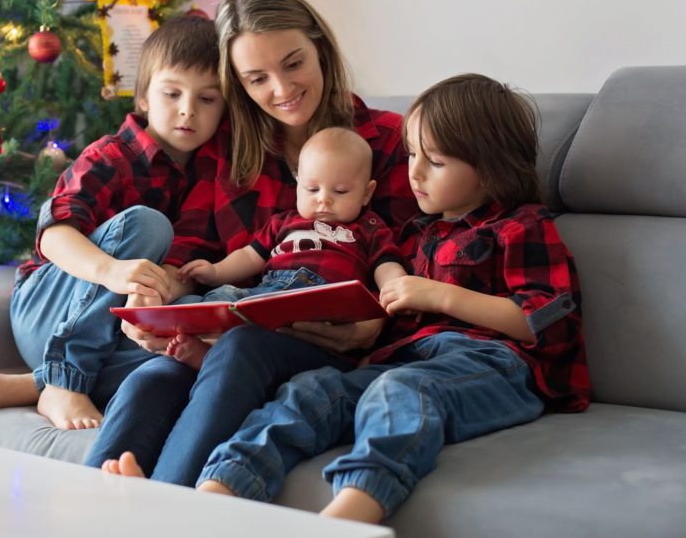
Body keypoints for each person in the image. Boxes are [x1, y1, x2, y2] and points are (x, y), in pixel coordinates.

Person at [181, 74, 590, 525]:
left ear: (491, 168)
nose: (413, 172)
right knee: (311, 391)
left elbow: (547, 322)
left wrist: (441, 295)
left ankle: (349, 515)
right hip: (407, 361)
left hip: (498, 368)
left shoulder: (521, 226)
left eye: (433, 161)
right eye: (412, 153)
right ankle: (215, 496)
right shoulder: (418, 234)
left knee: (402, 390)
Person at [84, 0, 420, 484]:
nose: (281, 91)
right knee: (149, 380)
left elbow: (421, 262)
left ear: (320, 50)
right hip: (233, 338)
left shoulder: (388, 141)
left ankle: (171, 509)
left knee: (242, 348)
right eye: (256, 78)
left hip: (331, 351)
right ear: (238, 84)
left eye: (293, 64)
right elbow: (192, 252)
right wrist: (153, 300)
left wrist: (376, 327)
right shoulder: (230, 152)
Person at [0, 16, 225, 429]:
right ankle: (65, 381)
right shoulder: (112, 156)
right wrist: (113, 271)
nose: (188, 109)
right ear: (143, 98)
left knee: (195, 326)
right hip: (47, 307)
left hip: (115, 329)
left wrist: (158, 291)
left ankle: (36, 385)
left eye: (207, 99)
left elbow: (188, 265)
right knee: (148, 226)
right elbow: (54, 237)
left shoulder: (211, 179)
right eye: (172, 93)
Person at [168, 127, 407, 369]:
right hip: (269, 293)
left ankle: (214, 355)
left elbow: (386, 264)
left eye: (340, 191)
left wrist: (397, 287)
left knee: (261, 330)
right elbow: (250, 256)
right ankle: (209, 353)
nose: (323, 199)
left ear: (367, 193)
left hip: (323, 301)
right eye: (312, 189)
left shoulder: (370, 228)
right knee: (221, 299)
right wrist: (216, 272)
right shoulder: (284, 222)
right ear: (298, 184)